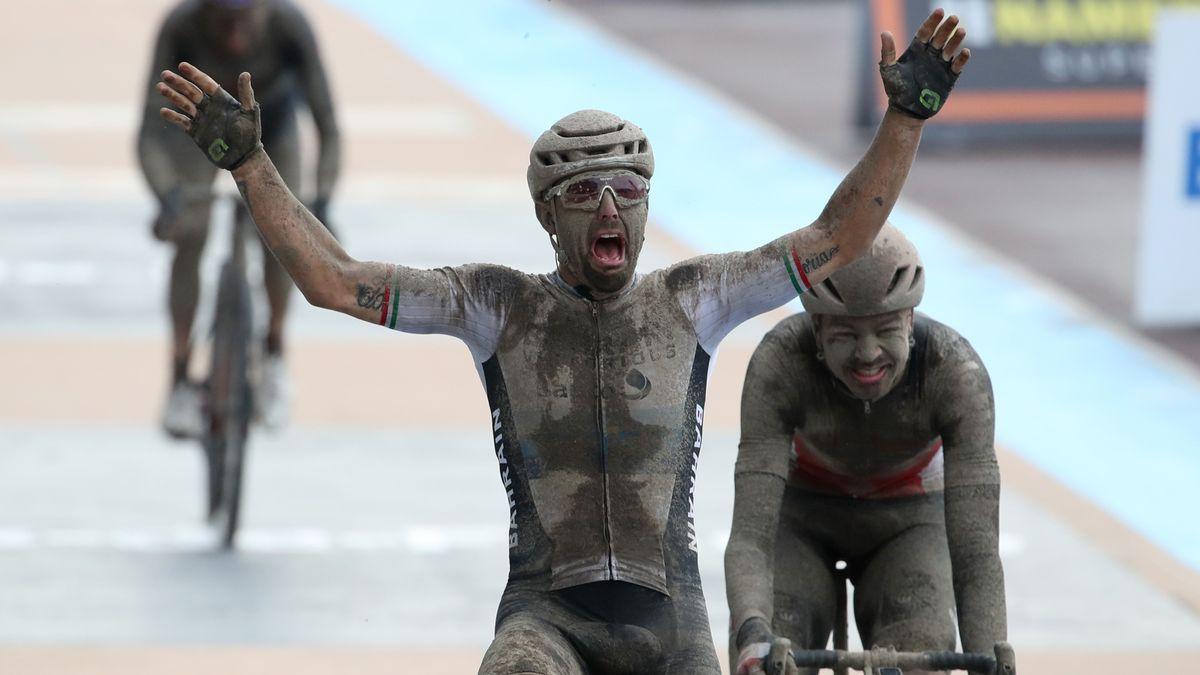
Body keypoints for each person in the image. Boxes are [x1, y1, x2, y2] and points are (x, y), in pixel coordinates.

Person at [151, 7, 967, 672]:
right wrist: (252, 163)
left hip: (672, 629)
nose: (610, 210)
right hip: (547, 619)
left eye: (627, 191)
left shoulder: (697, 298)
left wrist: (905, 120)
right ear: (547, 214)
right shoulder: (494, 304)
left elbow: (840, 233)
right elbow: (333, 280)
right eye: (585, 192)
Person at [724, 225, 1008, 675]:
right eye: (845, 334)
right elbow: (750, 539)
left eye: (886, 330)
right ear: (816, 329)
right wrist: (752, 632)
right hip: (802, 521)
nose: (868, 353)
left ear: (910, 321)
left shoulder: (955, 372)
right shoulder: (779, 363)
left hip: (907, 523)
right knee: (777, 647)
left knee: (922, 648)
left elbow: (975, 551)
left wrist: (991, 655)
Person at [137, 0, 340, 436]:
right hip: (200, 133)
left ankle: (274, 348)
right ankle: (178, 375)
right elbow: (147, 135)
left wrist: (321, 200)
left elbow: (328, 126)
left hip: (274, 132)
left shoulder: (289, 26)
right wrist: (168, 197)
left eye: (242, 24)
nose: (232, 38)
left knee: (287, 238)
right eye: (222, 24)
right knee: (190, 231)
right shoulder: (182, 26)